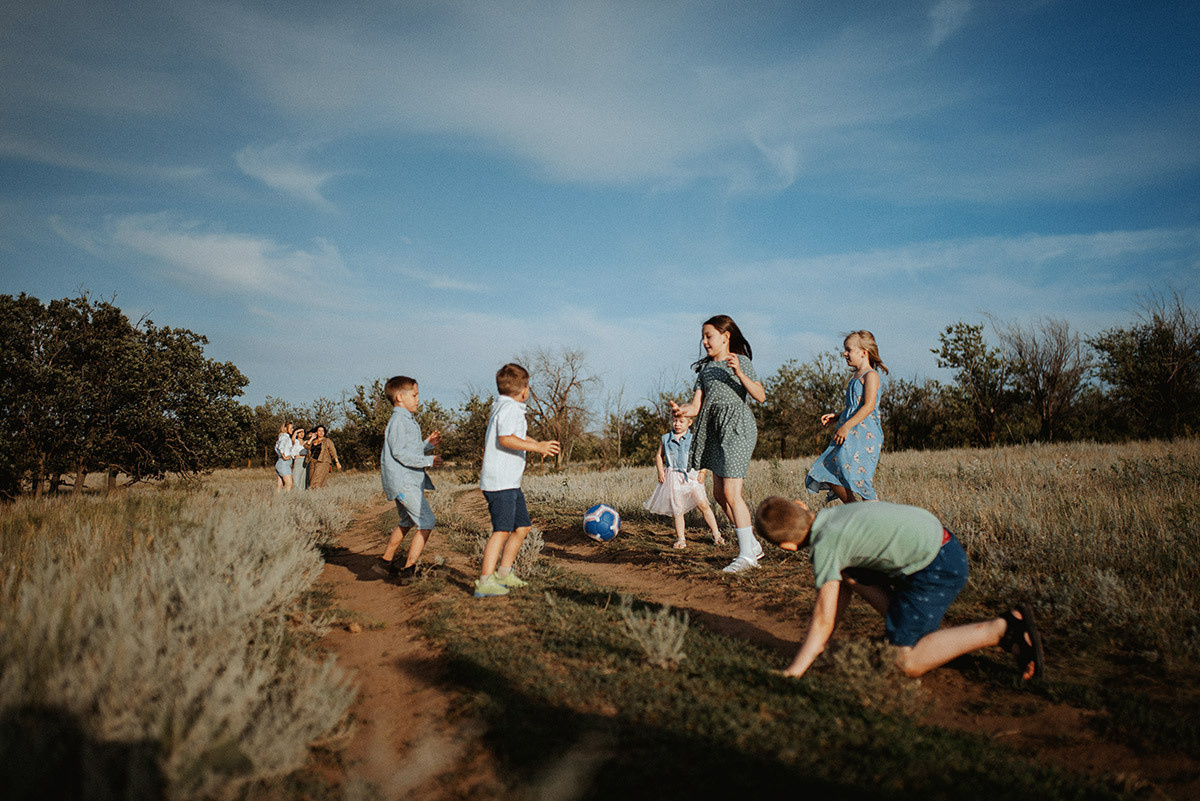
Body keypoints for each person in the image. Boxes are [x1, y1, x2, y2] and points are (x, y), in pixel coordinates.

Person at [753, 496, 1044, 680]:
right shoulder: (833, 517)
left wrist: (795, 670)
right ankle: (912, 629)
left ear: (787, 546)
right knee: (848, 573)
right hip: (942, 545)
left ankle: (1003, 629)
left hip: (936, 569)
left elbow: (823, 619)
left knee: (905, 662)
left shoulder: (826, 546)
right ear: (802, 507)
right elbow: (840, 591)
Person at [669, 315, 767, 573]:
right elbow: (696, 407)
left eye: (709, 336)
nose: (704, 342)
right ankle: (752, 545)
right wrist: (682, 410)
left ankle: (747, 556)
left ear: (725, 337)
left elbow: (760, 396)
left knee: (732, 494)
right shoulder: (705, 370)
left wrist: (739, 372)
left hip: (738, 428)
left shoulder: (742, 362)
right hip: (714, 431)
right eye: (702, 337)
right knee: (719, 495)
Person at [476, 363, 560, 598]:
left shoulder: (506, 406)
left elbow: (517, 436)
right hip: (500, 482)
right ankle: (485, 581)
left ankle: (504, 573)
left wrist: (537, 444)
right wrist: (537, 448)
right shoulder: (509, 408)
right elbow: (505, 439)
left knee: (522, 527)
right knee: (501, 530)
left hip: (510, 482)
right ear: (524, 390)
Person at [373, 376, 442, 585]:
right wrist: (429, 460)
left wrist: (427, 445)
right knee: (427, 521)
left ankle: (384, 563)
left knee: (407, 521)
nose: (418, 399)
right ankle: (409, 570)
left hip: (406, 480)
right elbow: (400, 454)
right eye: (414, 395)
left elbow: (408, 451)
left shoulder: (406, 420)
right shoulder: (399, 421)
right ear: (399, 397)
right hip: (404, 482)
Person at [805, 330, 888, 504]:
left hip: (864, 434)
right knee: (827, 469)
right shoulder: (855, 377)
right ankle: (854, 508)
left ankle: (876, 512)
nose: (845, 354)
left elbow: (868, 406)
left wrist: (846, 426)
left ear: (863, 352)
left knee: (860, 478)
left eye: (849, 350)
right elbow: (854, 406)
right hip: (849, 430)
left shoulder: (871, 376)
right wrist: (837, 417)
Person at [643, 415, 724, 549]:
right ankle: (681, 538)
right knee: (678, 510)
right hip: (674, 477)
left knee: (703, 505)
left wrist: (702, 472)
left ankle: (717, 534)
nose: (677, 424)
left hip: (691, 476)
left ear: (689, 422)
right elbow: (659, 455)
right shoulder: (666, 438)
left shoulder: (693, 439)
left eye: (681, 421)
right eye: (675, 421)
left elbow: (703, 456)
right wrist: (660, 471)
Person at [273, 421, 295, 491]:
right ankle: (286, 498)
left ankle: (276, 498)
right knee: (289, 484)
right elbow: (281, 447)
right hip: (284, 463)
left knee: (280, 486)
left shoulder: (282, 436)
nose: (292, 429)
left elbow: (276, 448)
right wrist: (284, 456)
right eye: (291, 428)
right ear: (285, 428)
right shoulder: (285, 437)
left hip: (280, 462)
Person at [290, 427, 310, 491]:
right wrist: (296, 431)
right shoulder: (295, 441)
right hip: (298, 460)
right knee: (296, 477)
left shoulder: (306, 442)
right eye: (300, 432)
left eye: (303, 432)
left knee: (303, 478)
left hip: (305, 461)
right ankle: (296, 492)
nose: (302, 434)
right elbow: (292, 439)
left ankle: (302, 492)